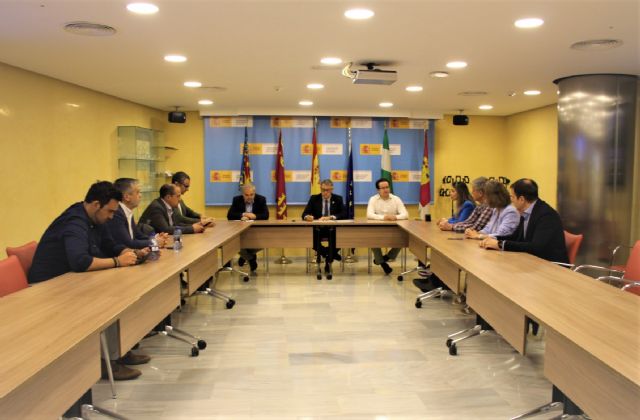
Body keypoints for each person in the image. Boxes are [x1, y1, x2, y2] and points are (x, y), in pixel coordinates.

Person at [28, 181, 142, 380]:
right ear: (96, 205)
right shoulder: (74, 222)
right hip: (47, 287)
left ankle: (118, 353)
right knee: (106, 300)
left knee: (117, 293)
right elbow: (80, 261)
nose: (111, 216)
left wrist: (125, 251)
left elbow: (109, 243)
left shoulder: (97, 219)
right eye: (109, 211)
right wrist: (117, 262)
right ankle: (106, 363)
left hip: (72, 281)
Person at [480, 178, 568, 262]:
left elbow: (536, 247)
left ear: (521, 199)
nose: (511, 200)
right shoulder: (526, 211)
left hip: (552, 266)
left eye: (512, 197)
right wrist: (493, 239)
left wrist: (500, 244)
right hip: (533, 261)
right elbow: (516, 237)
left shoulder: (546, 215)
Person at [107, 178, 169, 249]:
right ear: (127, 197)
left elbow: (138, 235)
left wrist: (155, 238)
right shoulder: (117, 213)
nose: (140, 195)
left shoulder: (127, 211)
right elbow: (128, 243)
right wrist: (154, 242)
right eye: (138, 192)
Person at [302, 179, 347, 274]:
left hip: (333, 229)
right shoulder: (314, 198)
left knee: (340, 238)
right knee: (310, 238)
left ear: (332, 189)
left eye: (328, 190)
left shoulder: (338, 199)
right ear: (320, 189)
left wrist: (331, 217)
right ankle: (330, 255)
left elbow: (344, 213)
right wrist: (307, 217)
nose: (325, 192)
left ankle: (327, 260)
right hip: (318, 229)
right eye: (323, 190)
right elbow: (304, 214)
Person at [366, 178, 409, 275]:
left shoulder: (396, 199)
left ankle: (386, 257)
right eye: (383, 188)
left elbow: (405, 214)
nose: (386, 190)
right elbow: (369, 215)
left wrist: (395, 217)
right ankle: (382, 263)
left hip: (394, 228)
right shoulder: (373, 199)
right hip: (377, 229)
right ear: (378, 190)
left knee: (403, 238)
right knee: (372, 239)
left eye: (387, 187)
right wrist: (383, 217)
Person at [227, 184, 269, 272]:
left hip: (256, 231)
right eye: (247, 195)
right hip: (240, 230)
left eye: (251, 194)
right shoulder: (236, 200)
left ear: (254, 193)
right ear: (242, 194)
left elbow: (266, 215)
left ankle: (244, 256)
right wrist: (243, 214)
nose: (249, 197)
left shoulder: (261, 199)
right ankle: (251, 258)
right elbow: (230, 215)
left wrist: (254, 216)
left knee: (264, 242)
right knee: (235, 243)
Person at [139, 184, 205, 235]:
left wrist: (196, 225)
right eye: (178, 196)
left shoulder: (171, 206)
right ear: (168, 197)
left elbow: (176, 224)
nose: (180, 199)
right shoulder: (156, 208)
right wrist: (192, 229)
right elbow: (166, 229)